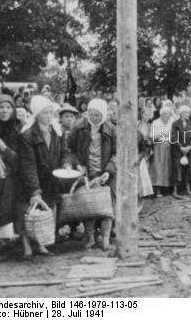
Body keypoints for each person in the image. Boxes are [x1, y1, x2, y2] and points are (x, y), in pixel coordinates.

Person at [18, 95, 71, 258]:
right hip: (34, 178)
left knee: (49, 210)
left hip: (52, 178)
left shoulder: (56, 131)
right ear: (36, 114)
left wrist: (66, 164)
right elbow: (28, 164)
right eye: (45, 113)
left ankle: (43, 244)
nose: (49, 116)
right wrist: (34, 190)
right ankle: (27, 245)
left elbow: (65, 152)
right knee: (28, 211)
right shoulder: (27, 135)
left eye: (51, 113)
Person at [67, 99, 117, 251]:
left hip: (105, 171)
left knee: (107, 205)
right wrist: (78, 164)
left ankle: (106, 238)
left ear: (103, 115)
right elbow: (69, 150)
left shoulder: (111, 129)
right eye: (91, 114)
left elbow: (117, 153)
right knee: (88, 205)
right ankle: (90, 237)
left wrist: (109, 171)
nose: (94, 118)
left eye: (98, 115)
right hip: (87, 171)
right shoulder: (78, 127)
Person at [0, 95, 20, 241]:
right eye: (0, 107)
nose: (4, 111)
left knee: (4, 209)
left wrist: (3, 148)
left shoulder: (15, 129)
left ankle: (0, 242)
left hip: (8, 177)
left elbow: (18, 158)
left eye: (8, 107)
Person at [171, 105, 191, 198]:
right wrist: (181, 147)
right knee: (177, 170)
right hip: (178, 151)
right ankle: (175, 190)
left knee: (189, 170)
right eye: (186, 113)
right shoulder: (175, 124)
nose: (188, 115)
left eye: (188, 113)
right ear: (181, 113)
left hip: (189, 150)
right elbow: (173, 137)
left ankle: (187, 189)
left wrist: (190, 146)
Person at [149, 106, 174, 198]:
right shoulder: (156, 123)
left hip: (169, 146)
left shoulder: (171, 122)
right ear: (162, 114)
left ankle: (166, 188)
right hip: (158, 147)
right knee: (158, 167)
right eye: (166, 114)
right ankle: (158, 189)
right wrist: (163, 133)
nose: (168, 116)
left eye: (169, 114)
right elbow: (152, 136)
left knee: (167, 167)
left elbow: (173, 133)